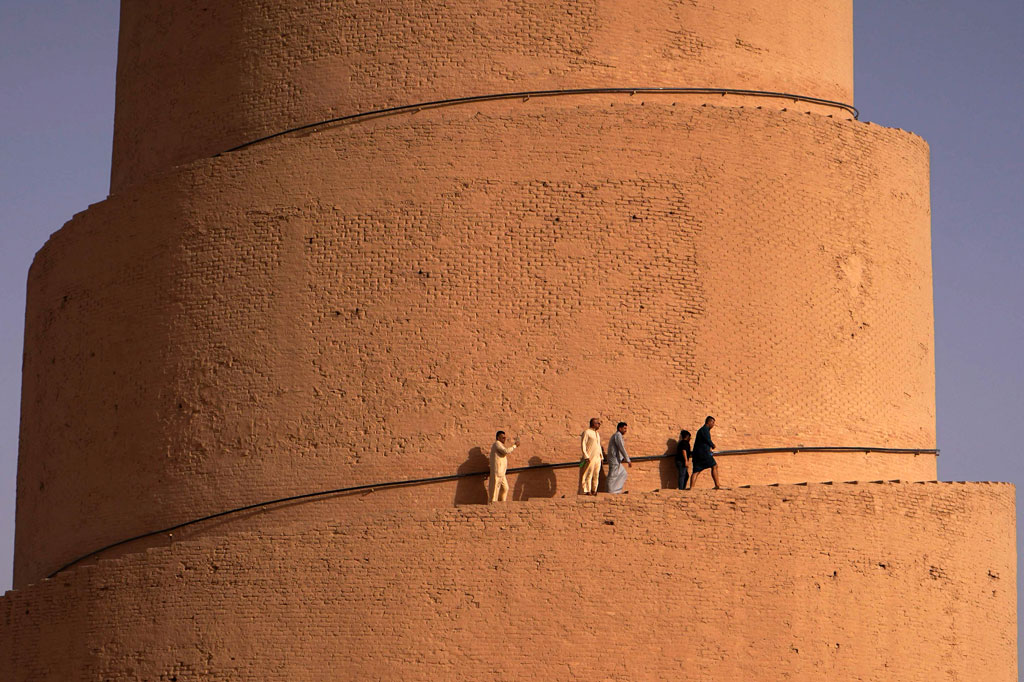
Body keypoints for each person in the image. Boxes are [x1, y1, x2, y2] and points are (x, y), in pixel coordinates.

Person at [689, 416, 722, 490]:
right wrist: (712, 445)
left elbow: (703, 442)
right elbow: (707, 439)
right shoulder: (705, 430)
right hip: (704, 453)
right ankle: (717, 484)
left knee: (696, 470)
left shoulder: (701, 430)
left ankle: (692, 487)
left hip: (697, 454)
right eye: (713, 423)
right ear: (709, 422)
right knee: (714, 466)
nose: (713, 425)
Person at [488, 430, 519, 503]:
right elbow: (505, 451)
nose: (504, 439)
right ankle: (493, 503)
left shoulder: (500, 445)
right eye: (502, 438)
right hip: (497, 471)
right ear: (498, 438)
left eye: (505, 438)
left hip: (502, 472)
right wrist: (514, 446)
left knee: (505, 488)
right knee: (495, 488)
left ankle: (502, 503)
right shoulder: (497, 444)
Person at [605, 422, 632, 494]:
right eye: (624, 428)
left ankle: (616, 490)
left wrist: (622, 458)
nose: (626, 430)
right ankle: (610, 491)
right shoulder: (617, 435)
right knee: (613, 475)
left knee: (623, 473)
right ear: (620, 428)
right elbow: (621, 447)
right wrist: (627, 459)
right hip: (614, 459)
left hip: (617, 459)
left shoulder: (618, 436)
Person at [580, 418, 604, 496]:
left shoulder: (597, 434)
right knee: (588, 473)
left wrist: (601, 457)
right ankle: (587, 490)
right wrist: (586, 456)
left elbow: (598, 445)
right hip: (590, 456)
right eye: (598, 423)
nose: (599, 425)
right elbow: (583, 444)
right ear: (593, 424)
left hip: (597, 457)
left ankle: (594, 490)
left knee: (596, 474)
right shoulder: (587, 432)